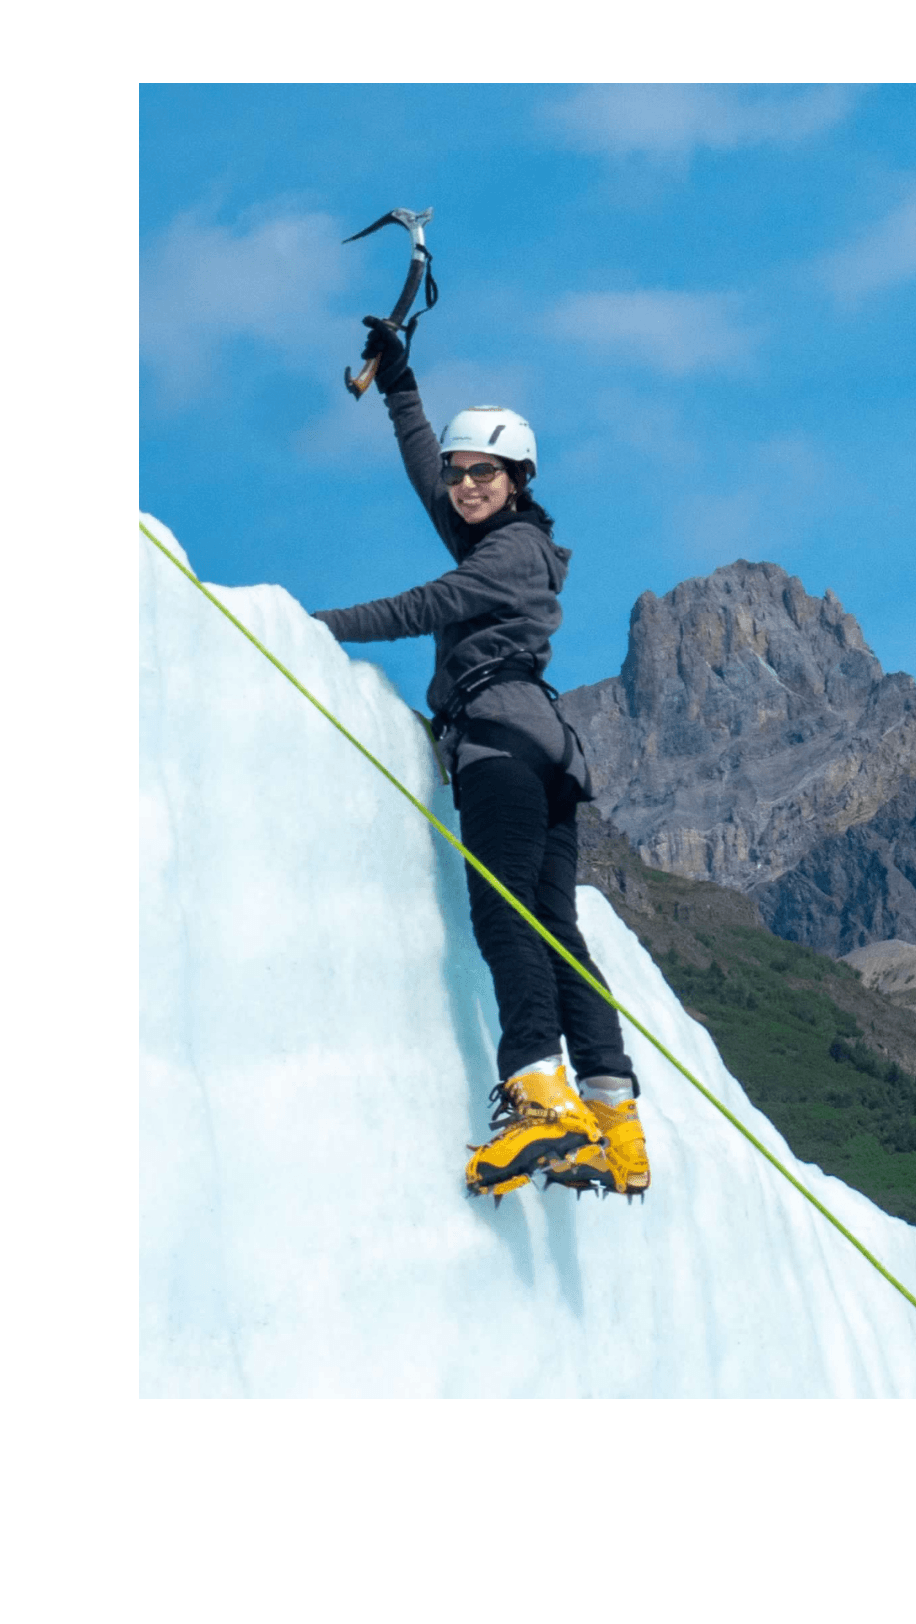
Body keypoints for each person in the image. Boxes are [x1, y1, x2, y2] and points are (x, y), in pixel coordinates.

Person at [310, 316, 650, 1202]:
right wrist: (400, 386)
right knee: (553, 928)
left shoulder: (511, 555)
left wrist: (306, 627)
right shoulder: (508, 538)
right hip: (544, 752)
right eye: (462, 472)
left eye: (481, 473)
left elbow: (428, 603)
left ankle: (539, 1097)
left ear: (517, 480)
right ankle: (614, 1120)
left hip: (500, 748)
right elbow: (429, 479)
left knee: (505, 919)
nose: (463, 484)